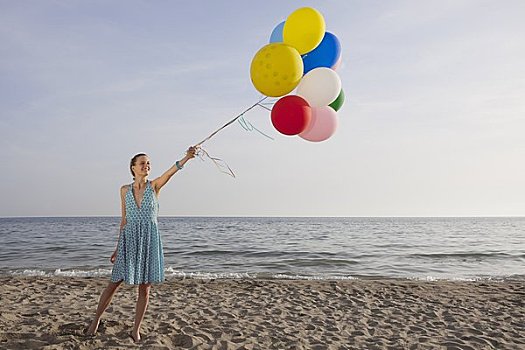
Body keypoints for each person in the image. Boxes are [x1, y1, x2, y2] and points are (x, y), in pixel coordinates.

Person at [86, 146, 197, 343]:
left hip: (149, 239)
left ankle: (135, 329)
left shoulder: (154, 186)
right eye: (142, 163)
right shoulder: (124, 190)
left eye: (148, 163)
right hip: (129, 239)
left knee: (145, 288)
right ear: (133, 167)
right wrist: (117, 247)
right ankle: (95, 321)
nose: (147, 166)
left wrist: (187, 157)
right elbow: (124, 220)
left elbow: (171, 172)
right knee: (114, 283)